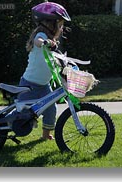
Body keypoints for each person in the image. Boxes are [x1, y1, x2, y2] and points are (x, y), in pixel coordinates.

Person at [18, 2, 71, 140]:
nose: (62, 28)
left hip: (43, 85)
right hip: (29, 85)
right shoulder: (41, 35)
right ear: (50, 24)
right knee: (21, 116)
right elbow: (38, 40)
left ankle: (45, 135)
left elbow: (55, 63)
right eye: (60, 25)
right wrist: (43, 42)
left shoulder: (53, 44)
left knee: (51, 109)